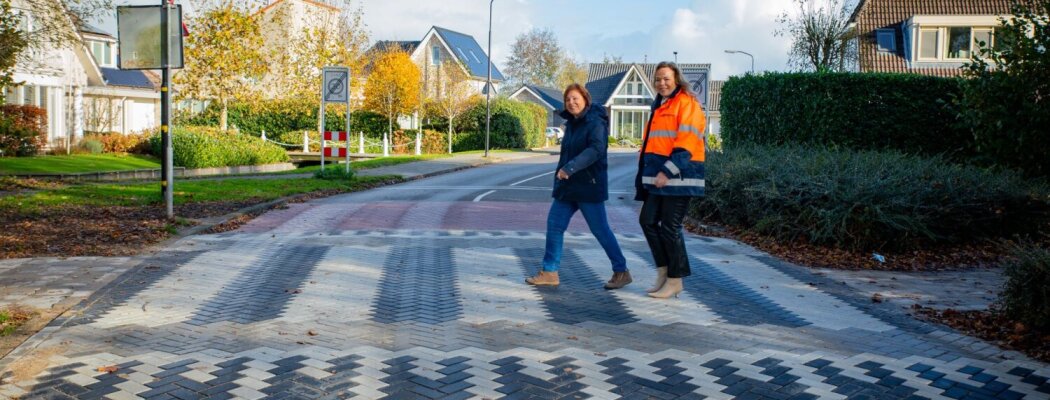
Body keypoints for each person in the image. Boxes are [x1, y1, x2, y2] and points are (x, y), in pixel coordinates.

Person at [526, 83, 631, 290]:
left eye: (575, 98)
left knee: (600, 230)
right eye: (568, 100)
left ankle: (621, 271)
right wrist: (562, 176)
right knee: (554, 225)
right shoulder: (573, 123)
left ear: (585, 99)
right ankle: (549, 272)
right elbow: (567, 153)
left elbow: (596, 150)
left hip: (588, 186)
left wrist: (570, 168)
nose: (571, 103)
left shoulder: (595, 122)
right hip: (568, 187)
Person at [635, 62, 707, 299]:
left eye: (666, 78)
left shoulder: (687, 104)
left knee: (670, 228)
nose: (661, 83)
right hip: (661, 179)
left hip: (679, 178)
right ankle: (664, 272)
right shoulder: (660, 105)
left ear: (677, 79)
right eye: (657, 79)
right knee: (647, 221)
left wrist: (667, 170)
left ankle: (675, 280)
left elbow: (686, 143)